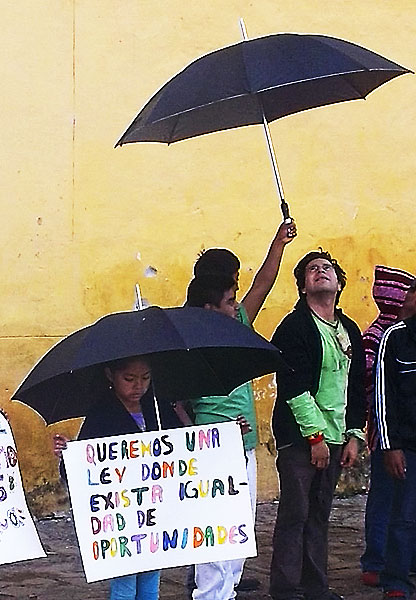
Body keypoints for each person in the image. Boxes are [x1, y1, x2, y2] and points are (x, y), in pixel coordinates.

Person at [186, 219, 297, 600]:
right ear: (208, 305)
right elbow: (177, 400)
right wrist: (204, 432)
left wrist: (279, 244)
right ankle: (210, 595)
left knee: (238, 526)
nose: (238, 305)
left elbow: (263, 283)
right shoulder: (190, 339)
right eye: (231, 299)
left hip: (244, 444)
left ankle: (227, 591)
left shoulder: (239, 323)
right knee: (214, 527)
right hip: (211, 445)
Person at [269, 249, 366, 600]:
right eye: (312, 269)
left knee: (320, 514)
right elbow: (293, 386)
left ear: (339, 283)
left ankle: (315, 586)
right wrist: (314, 437)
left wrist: (354, 434)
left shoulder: (349, 328)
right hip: (302, 437)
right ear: (303, 287)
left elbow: (357, 386)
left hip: (337, 435)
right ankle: (286, 588)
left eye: (327, 268)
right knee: (296, 512)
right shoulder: (295, 327)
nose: (321, 272)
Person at [53, 356, 183, 600]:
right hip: (121, 514)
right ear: (110, 375)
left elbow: (190, 448)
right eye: (129, 379)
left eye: (145, 378)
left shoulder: (159, 408)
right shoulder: (102, 415)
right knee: (124, 580)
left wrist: (229, 435)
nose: (138, 386)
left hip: (157, 509)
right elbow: (87, 463)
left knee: (151, 575)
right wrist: (69, 454)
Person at [360, 266, 416, 587]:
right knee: (385, 499)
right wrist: (385, 435)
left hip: (395, 432)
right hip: (386, 432)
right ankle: (377, 562)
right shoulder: (382, 336)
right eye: (405, 291)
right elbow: (376, 387)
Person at [375, 281, 416, 600]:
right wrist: (389, 445)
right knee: (403, 515)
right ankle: (396, 581)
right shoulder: (396, 337)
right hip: (408, 444)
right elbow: (383, 395)